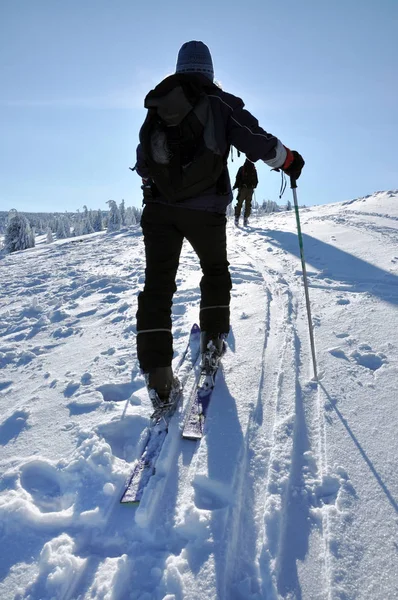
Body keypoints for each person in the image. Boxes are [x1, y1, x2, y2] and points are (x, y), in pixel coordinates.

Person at [134, 41, 304, 410]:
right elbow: (258, 142)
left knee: (157, 287)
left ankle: (159, 379)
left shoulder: (159, 105)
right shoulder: (221, 103)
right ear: (209, 70)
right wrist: (289, 160)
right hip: (206, 211)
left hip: (160, 210)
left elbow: (143, 159)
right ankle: (212, 345)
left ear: (180, 68)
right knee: (214, 271)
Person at [233, 158, 258, 226]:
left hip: (242, 188)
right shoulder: (253, 169)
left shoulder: (242, 168)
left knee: (239, 203)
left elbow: (237, 177)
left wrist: (235, 186)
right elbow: (256, 180)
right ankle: (245, 218)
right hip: (250, 189)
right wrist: (254, 186)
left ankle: (237, 218)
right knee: (248, 204)